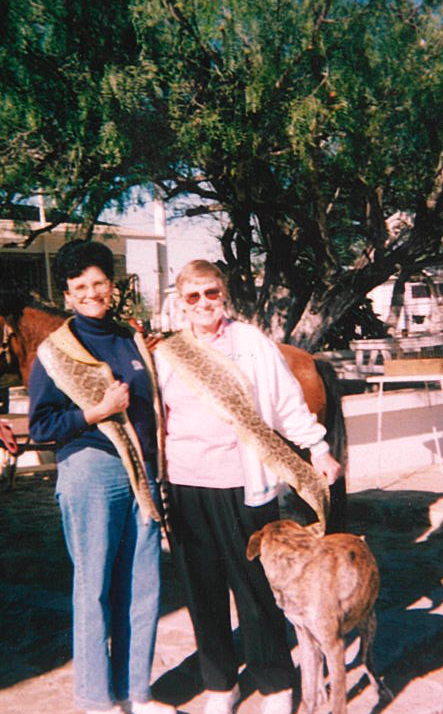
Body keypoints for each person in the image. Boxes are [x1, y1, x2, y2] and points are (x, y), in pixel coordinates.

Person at [153, 260, 341, 714]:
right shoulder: (167, 354)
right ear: (181, 302)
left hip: (244, 485)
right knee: (203, 591)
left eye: (211, 293)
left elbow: (285, 404)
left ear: (225, 295)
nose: (203, 304)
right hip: (185, 485)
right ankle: (221, 685)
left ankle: (275, 684)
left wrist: (319, 449)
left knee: (255, 589)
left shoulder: (251, 343)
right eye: (193, 296)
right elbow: (157, 419)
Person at [27, 240, 175, 714]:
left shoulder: (130, 340)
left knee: (143, 585)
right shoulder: (56, 350)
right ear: (68, 296)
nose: (91, 293)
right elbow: (42, 426)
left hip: (143, 476)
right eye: (79, 287)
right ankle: (96, 700)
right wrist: (97, 412)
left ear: (113, 287)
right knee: (93, 588)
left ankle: (138, 694)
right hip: (91, 472)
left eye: (98, 283)